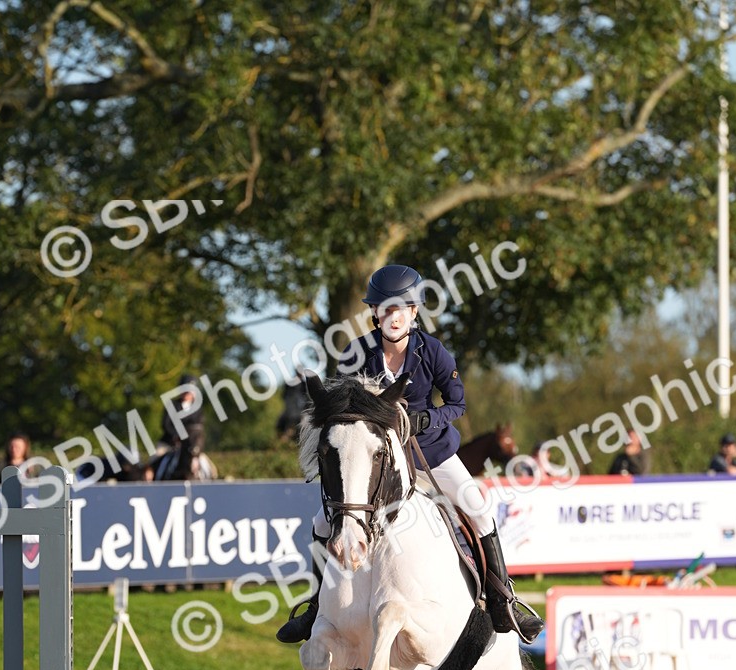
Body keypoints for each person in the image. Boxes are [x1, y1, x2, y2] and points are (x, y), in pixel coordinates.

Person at [276, 263, 543, 645]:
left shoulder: (433, 351)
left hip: (431, 452)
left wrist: (427, 419)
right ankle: (316, 606)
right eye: (384, 309)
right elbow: (343, 410)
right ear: (374, 313)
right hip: (379, 459)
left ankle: (503, 602)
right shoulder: (355, 353)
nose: (393, 317)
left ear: (414, 312)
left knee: (478, 507)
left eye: (400, 309)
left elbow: (457, 403)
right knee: (322, 522)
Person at [151, 374, 217, 481]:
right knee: (154, 459)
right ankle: (153, 480)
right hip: (170, 443)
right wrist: (176, 436)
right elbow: (166, 424)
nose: (187, 393)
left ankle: (213, 480)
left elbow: (198, 428)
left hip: (190, 446)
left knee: (209, 466)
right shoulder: (172, 405)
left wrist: (193, 443)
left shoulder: (198, 409)